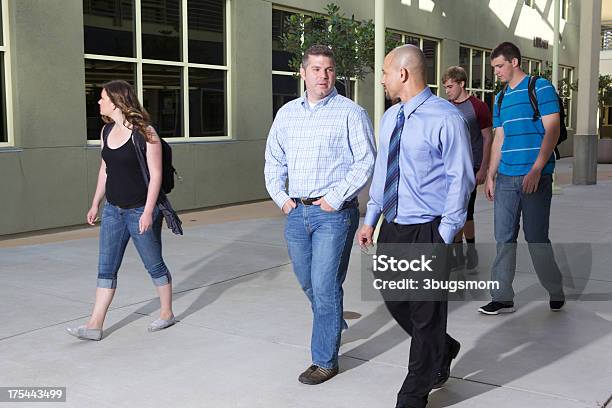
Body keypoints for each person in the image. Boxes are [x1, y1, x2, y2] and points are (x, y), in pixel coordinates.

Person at [357, 45, 474, 408]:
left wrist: (445, 232)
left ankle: (415, 391)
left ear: (403, 74)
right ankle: (444, 346)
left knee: (426, 315)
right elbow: (382, 173)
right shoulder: (391, 118)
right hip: (392, 226)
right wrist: (370, 219)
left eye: (385, 71)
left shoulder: (445, 117)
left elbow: (461, 178)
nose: (382, 78)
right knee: (396, 299)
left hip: (429, 228)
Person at [264, 45, 376, 385]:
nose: (322, 75)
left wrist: (334, 197)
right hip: (296, 212)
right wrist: (283, 200)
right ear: (303, 73)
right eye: (315, 69)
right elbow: (273, 160)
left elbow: (366, 160)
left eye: (328, 69)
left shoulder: (350, 113)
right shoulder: (286, 114)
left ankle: (325, 360)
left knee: (326, 286)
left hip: (334, 214)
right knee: (307, 281)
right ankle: (332, 321)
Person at [67, 80, 175, 340]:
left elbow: (157, 175)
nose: (99, 102)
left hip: (140, 210)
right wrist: (96, 203)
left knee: (154, 264)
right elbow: (105, 169)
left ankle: (166, 313)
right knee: (106, 268)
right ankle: (94, 325)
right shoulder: (106, 132)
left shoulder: (146, 133)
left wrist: (149, 211)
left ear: (117, 101)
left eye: (103, 98)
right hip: (113, 211)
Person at [479, 42, 565, 315]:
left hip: (535, 176)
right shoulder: (502, 98)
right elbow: (498, 138)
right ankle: (502, 297)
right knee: (503, 237)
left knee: (537, 237)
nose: (496, 72)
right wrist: (491, 175)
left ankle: (555, 288)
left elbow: (553, 129)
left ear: (514, 62)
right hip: (506, 177)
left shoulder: (540, 88)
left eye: (499, 66)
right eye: (494, 68)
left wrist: (538, 169)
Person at [443, 66, 493, 269]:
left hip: (471, 167)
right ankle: (456, 254)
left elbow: (488, 137)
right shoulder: (446, 107)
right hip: (449, 169)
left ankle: (470, 251)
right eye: (445, 87)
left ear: (461, 83)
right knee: (453, 210)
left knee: (466, 210)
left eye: (450, 86)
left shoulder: (478, 107)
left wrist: (484, 168)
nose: (447, 91)